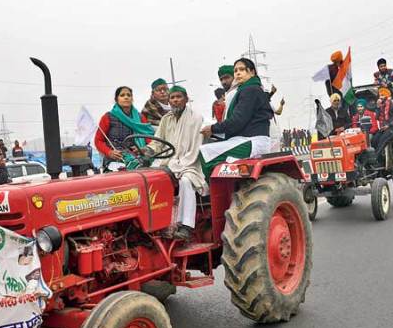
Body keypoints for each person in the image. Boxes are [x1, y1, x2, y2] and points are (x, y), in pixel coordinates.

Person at [145, 85, 206, 241]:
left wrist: (179, 165)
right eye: (172, 98)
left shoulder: (196, 118)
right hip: (167, 161)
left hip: (189, 163)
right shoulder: (166, 119)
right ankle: (157, 224)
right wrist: (149, 150)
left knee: (186, 181)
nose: (175, 100)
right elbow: (158, 142)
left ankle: (186, 227)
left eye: (178, 97)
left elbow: (195, 148)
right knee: (149, 178)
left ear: (186, 99)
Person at [200, 58, 274, 177]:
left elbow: (237, 121)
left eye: (242, 69)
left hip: (252, 140)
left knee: (205, 153)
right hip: (245, 138)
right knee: (215, 157)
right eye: (235, 71)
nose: (238, 73)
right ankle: (227, 186)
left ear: (252, 72)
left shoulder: (250, 90)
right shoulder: (245, 89)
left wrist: (213, 129)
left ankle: (212, 194)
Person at [95, 86, 154, 170]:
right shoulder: (107, 117)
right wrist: (109, 152)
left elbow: (148, 137)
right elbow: (98, 141)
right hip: (116, 158)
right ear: (116, 99)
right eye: (122, 95)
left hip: (138, 156)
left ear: (132, 99)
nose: (126, 97)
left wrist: (144, 149)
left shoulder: (140, 118)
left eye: (128, 95)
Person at [372, 87, 393, 161]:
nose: (380, 97)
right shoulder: (382, 105)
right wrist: (378, 107)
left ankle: (375, 159)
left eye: (382, 95)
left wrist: (389, 125)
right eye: (380, 95)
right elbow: (376, 117)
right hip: (385, 127)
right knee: (374, 140)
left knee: (382, 140)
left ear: (387, 96)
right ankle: (378, 158)